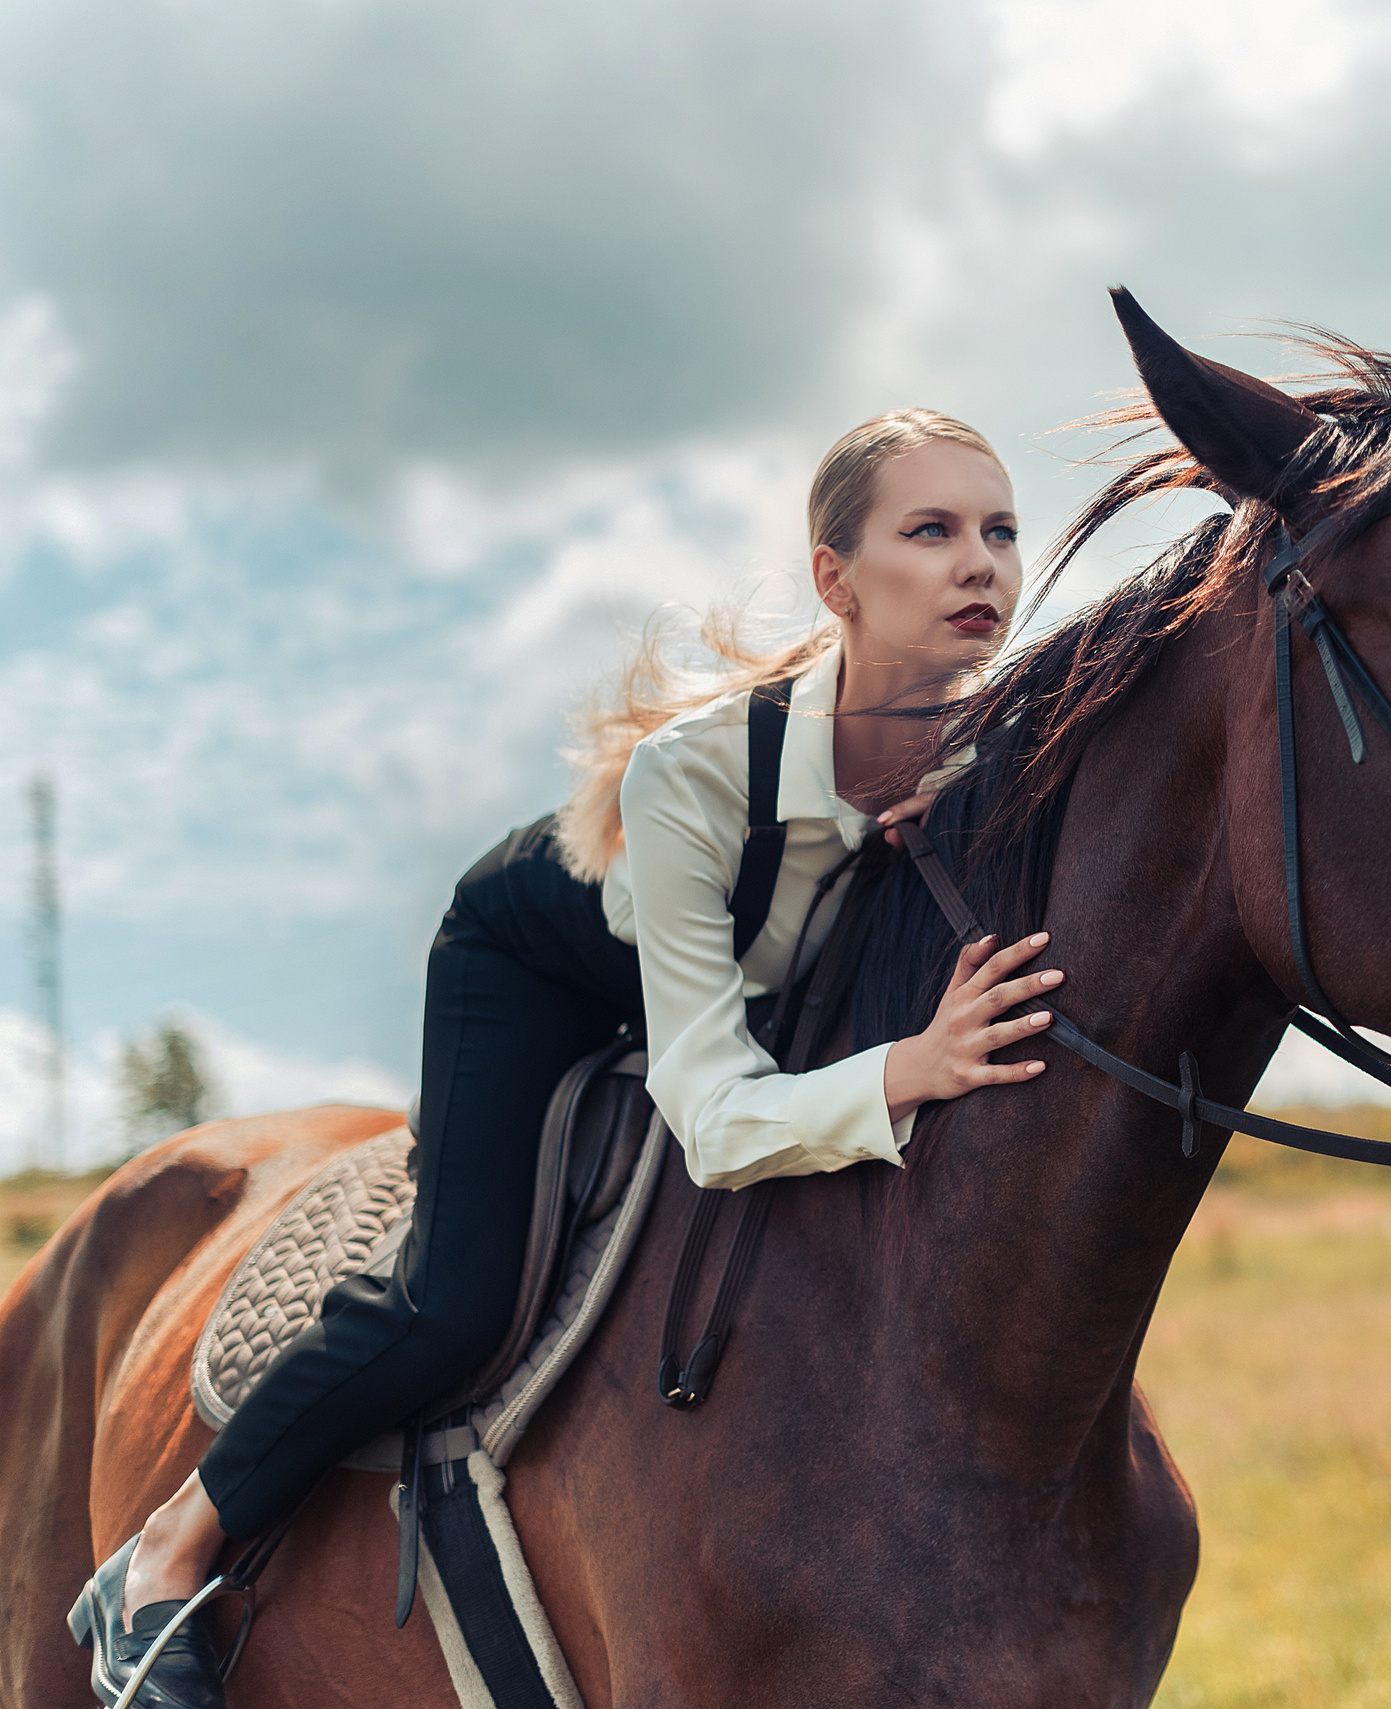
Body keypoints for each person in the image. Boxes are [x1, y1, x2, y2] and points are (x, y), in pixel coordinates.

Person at [70, 410, 1061, 1709]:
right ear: (838, 579)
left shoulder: (1000, 752)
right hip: (538, 966)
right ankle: (162, 1555)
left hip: (743, 995)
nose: (979, 561)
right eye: (929, 530)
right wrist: (910, 1070)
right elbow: (713, 1116)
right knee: (454, 1298)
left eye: (999, 530)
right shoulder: (697, 776)